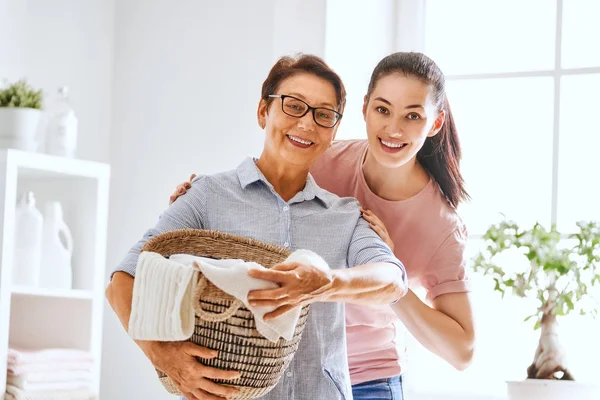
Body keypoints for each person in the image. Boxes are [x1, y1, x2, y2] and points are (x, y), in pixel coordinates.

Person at [171, 52, 475, 400]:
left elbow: (462, 351)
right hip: (279, 363)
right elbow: (260, 199)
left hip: (368, 379)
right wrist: (200, 203)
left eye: (413, 116)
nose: (393, 129)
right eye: (383, 109)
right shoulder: (324, 157)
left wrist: (392, 280)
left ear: (434, 124)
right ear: (364, 110)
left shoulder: (441, 226)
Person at [106, 54, 408, 400]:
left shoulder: (343, 214)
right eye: (294, 106)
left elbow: (392, 279)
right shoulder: (207, 196)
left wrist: (325, 284)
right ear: (264, 111)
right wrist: (164, 356)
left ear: (333, 131)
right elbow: (122, 282)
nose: (307, 124)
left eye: (324, 115)